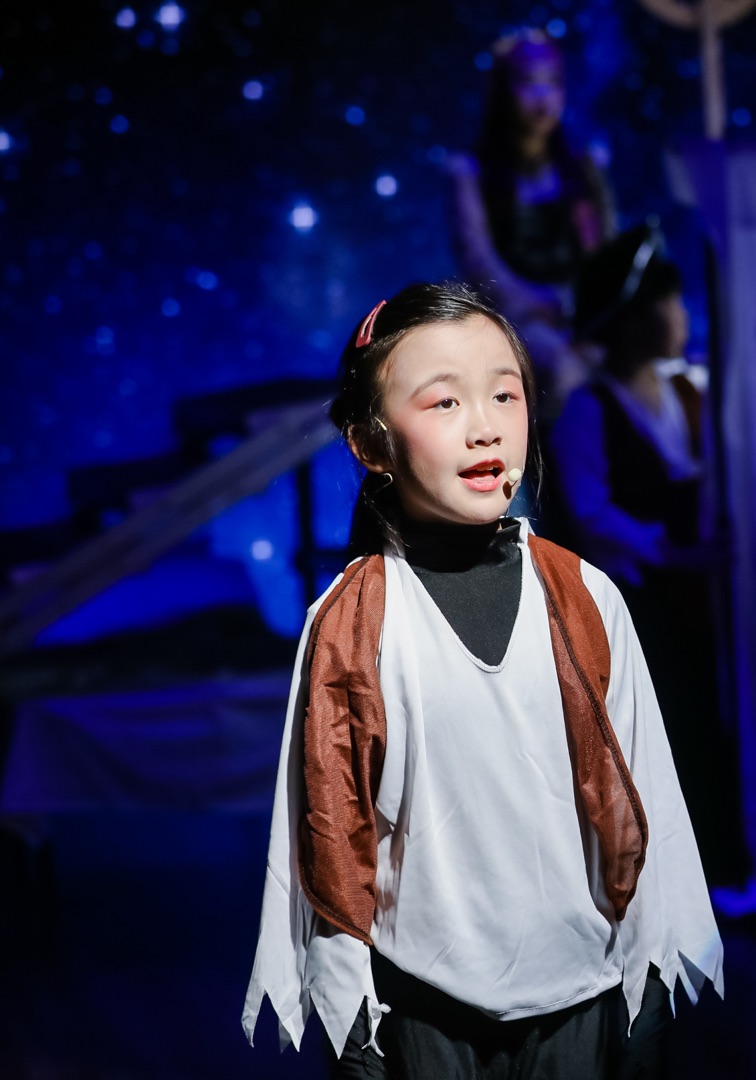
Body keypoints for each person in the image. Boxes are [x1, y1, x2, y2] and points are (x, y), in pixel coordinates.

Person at [242, 282, 722, 1078]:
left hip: (584, 1000)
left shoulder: (584, 597)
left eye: (505, 394)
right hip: (422, 1016)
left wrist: (649, 993)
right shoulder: (354, 624)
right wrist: (353, 1031)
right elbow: (328, 833)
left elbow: (647, 804)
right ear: (369, 443)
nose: (485, 426)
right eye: (444, 402)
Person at [546, 225, 748, 885]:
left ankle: (733, 856)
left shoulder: (694, 389)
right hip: (641, 603)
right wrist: (668, 553)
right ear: (631, 319)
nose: (681, 316)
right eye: (669, 303)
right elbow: (592, 512)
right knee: (671, 728)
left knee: (722, 720)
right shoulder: (589, 409)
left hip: (709, 593)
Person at [449, 28, 617, 410]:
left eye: (552, 82)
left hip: (585, 316)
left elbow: (606, 248)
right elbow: (479, 262)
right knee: (562, 372)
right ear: (503, 91)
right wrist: (540, 306)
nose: (542, 96)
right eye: (527, 82)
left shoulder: (584, 171)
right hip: (517, 321)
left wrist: (586, 310)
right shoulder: (472, 174)